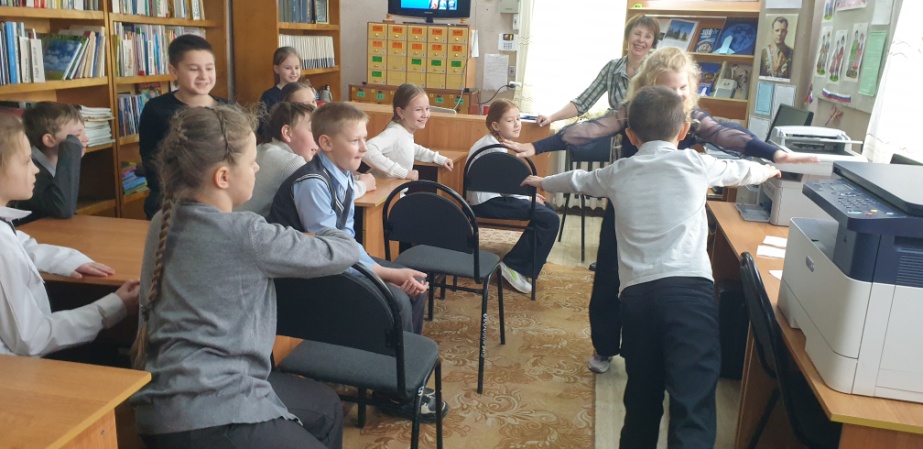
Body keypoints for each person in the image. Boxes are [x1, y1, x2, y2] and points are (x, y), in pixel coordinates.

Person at [503, 47, 818, 375]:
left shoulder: (691, 117)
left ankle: (649, 349)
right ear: (649, 87)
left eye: (683, 88)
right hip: (628, 207)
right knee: (610, 276)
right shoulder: (634, 113)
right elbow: (590, 130)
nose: (678, 96)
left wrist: (775, 155)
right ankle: (605, 346)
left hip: (672, 213)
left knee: (661, 283)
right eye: (670, 88)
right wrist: (537, 146)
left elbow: (727, 134)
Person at [523, 85, 781, 449]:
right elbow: (740, 170)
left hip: (638, 299)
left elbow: (578, 181)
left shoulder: (618, 171)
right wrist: (769, 169)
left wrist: (543, 181)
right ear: (683, 131)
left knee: (641, 401)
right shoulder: (696, 163)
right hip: (691, 299)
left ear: (630, 135)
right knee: (693, 406)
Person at [129, 105, 358, 449]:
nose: (257, 167)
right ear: (223, 177)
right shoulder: (246, 233)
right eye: (252, 161)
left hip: (160, 407)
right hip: (215, 412)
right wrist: (327, 228)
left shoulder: (162, 221)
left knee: (324, 406)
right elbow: (344, 251)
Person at [267, 103, 447, 421]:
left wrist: (384, 272)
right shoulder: (312, 183)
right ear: (326, 143)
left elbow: (347, 240)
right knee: (395, 300)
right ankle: (395, 392)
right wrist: (383, 273)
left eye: (364, 139)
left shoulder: (344, 174)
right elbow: (329, 250)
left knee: (413, 287)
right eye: (355, 140)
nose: (364, 147)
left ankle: (397, 378)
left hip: (337, 261)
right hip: (307, 279)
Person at [0, 113, 140, 357]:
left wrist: (68, 260)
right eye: (26, 161)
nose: (35, 169)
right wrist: (113, 306)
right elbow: (32, 340)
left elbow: (21, 244)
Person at [467, 99, 559, 294]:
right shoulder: (494, 149)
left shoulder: (492, 143)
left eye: (518, 118)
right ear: (495, 125)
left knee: (547, 211)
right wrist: (528, 199)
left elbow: (503, 185)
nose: (517, 124)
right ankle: (515, 267)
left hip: (491, 198)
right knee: (550, 219)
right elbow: (503, 188)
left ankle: (524, 261)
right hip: (487, 202)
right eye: (510, 121)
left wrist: (529, 198)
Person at [139, 34, 229, 219]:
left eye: (209, 68)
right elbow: (152, 164)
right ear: (174, 71)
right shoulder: (156, 110)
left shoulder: (229, 109)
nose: (204, 76)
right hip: (172, 202)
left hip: (222, 198)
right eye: (194, 69)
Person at [535, 14, 659, 128]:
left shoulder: (656, 70)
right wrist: (551, 118)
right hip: (614, 132)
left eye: (647, 36)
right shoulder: (612, 67)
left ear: (652, 43)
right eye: (637, 34)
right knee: (570, 134)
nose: (641, 40)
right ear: (628, 36)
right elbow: (583, 102)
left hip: (645, 134)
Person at [236, 102, 317, 217]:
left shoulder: (262, 149)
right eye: (314, 130)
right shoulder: (292, 163)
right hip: (246, 226)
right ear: (287, 133)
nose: (319, 137)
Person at [16, 102, 90, 225]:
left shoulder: (54, 166)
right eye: (77, 135)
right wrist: (72, 149)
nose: (86, 138)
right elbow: (63, 209)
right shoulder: (32, 172)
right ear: (49, 140)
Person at [363, 83, 454, 181]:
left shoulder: (402, 133)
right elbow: (367, 150)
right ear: (401, 112)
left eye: (427, 109)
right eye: (418, 110)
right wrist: (403, 173)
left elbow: (409, 147)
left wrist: (438, 158)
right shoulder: (395, 132)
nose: (425, 114)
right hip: (387, 190)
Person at [260, 47, 303, 117]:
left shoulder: (305, 92)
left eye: (297, 68)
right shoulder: (269, 96)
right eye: (288, 68)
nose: (294, 72)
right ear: (276, 69)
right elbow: (263, 122)